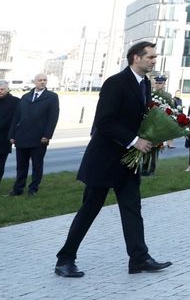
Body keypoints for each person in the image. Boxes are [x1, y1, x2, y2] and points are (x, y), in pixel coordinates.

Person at [54, 41, 172, 278]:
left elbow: (139, 118)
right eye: (150, 57)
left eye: (155, 57)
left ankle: (139, 258)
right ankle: (65, 259)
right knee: (90, 208)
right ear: (135, 58)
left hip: (128, 161)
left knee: (132, 208)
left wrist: (155, 134)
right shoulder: (115, 83)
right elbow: (105, 121)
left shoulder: (145, 84)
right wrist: (133, 141)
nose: (154, 60)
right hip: (104, 159)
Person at [9, 73, 60, 196]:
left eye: (44, 80)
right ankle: (18, 188)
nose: (42, 82)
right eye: (40, 80)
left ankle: (33, 189)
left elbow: (53, 118)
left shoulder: (52, 97)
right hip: (21, 137)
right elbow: (16, 117)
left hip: (39, 138)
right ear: (34, 82)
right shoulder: (25, 97)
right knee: (21, 166)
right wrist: (12, 135)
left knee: (37, 166)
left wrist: (47, 135)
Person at [0, 79, 21, 194]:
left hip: (2, 138)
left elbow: (12, 119)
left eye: (2, 89)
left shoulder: (15, 101)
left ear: (7, 89)